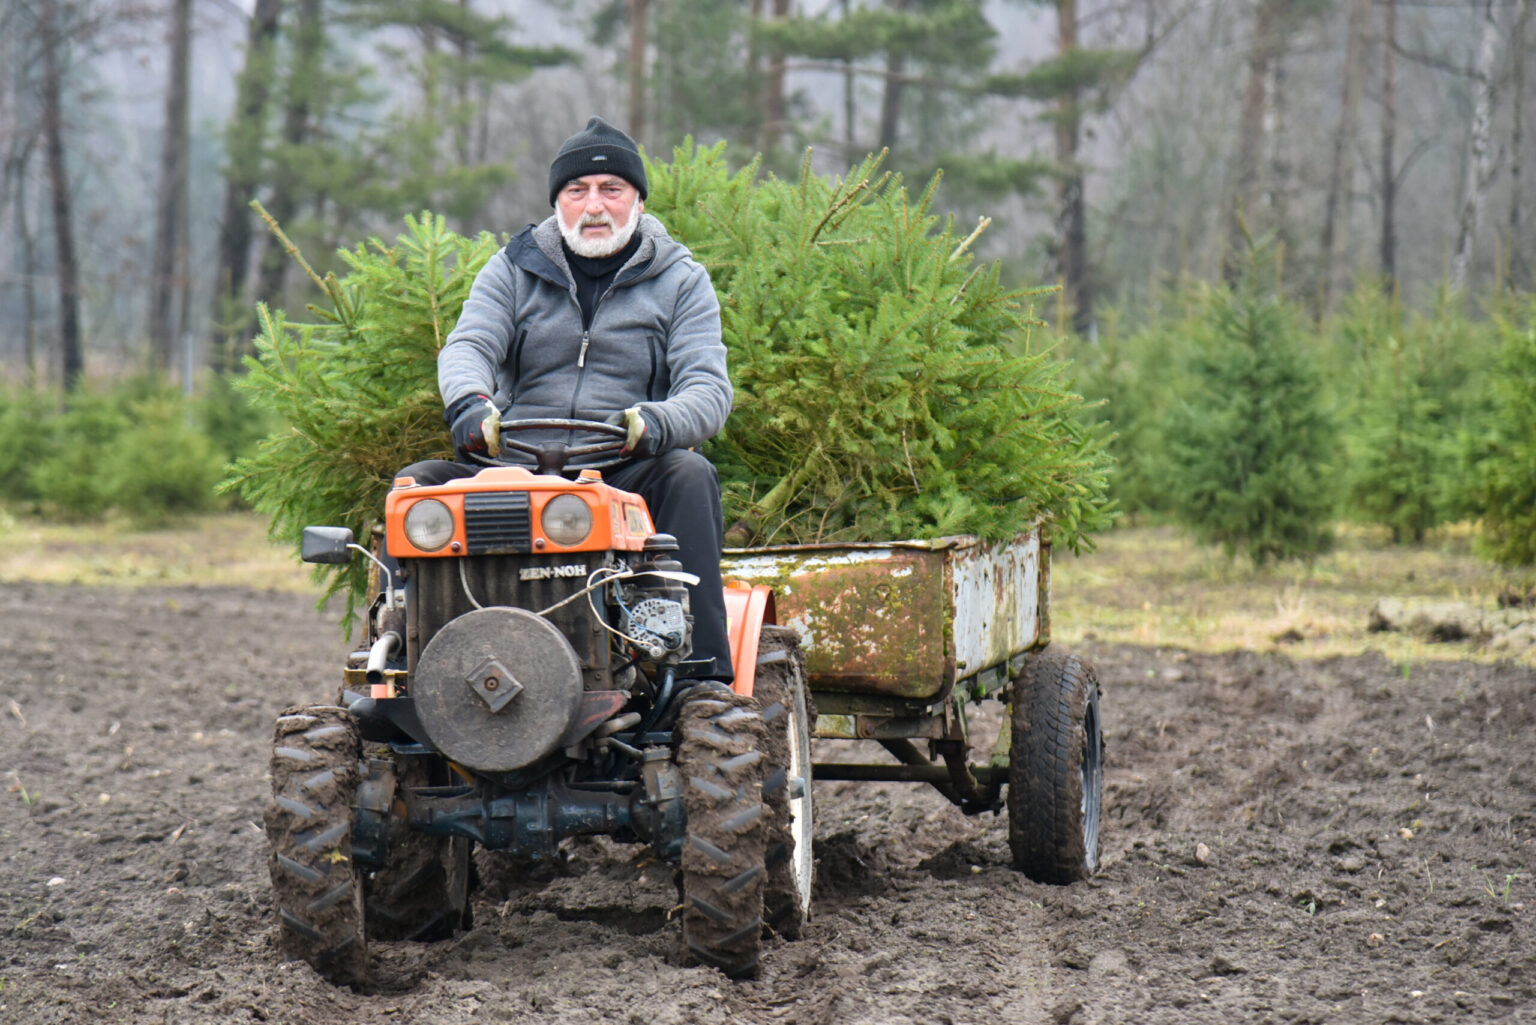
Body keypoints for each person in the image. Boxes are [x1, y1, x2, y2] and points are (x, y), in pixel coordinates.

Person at [397, 116, 735, 683]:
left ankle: (700, 676)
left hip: (626, 469)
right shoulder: (512, 268)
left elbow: (708, 388)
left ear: (637, 200)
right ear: (558, 202)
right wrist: (472, 404)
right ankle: (404, 667)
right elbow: (469, 345)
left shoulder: (681, 279)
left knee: (689, 475)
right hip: (513, 467)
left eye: (611, 190)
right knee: (418, 486)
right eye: (577, 191)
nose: (594, 206)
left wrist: (651, 423)